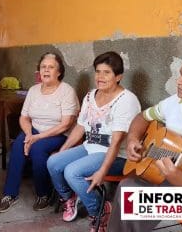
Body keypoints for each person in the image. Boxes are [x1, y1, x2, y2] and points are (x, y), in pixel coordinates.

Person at [108, 47, 182, 232]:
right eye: (180, 75)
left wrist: (181, 181)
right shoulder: (174, 103)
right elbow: (142, 117)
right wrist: (132, 139)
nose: (179, 81)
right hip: (170, 178)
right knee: (127, 191)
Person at [46, 51, 141, 231]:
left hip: (115, 155)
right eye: (98, 71)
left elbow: (116, 142)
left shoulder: (126, 100)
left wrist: (102, 171)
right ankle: (69, 198)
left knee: (72, 172)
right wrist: (63, 150)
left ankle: (100, 210)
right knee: (54, 162)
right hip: (90, 147)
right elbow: (80, 127)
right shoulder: (90, 96)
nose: (100, 77)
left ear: (118, 76)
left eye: (107, 72)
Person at [0, 52, 80, 213]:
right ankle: (9, 194)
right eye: (43, 67)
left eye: (51, 67)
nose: (46, 70)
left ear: (59, 71)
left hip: (59, 133)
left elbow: (65, 124)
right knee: (19, 144)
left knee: (37, 148)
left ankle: (44, 194)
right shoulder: (34, 90)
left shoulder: (66, 91)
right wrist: (28, 135)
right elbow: (24, 117)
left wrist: (36, 138)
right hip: (34, 130)